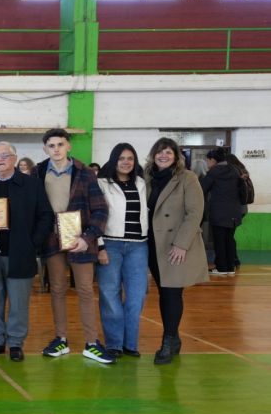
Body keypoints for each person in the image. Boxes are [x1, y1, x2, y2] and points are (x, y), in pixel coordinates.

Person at [36, 128, 113, 364]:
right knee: (57, 289)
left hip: (80, 239)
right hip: (52, 240)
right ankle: (61, 339)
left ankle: (92, 343)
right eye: (51, 145)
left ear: (68, 146)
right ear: (45, 148)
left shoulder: (85, 173)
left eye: (60, 144)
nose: (56, 149)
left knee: (86, 290)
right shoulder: (38, 172)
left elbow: (100, 209)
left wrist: (88, 238)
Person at [0, 142, 53, 362]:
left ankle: (15, 343)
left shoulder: (32, 185)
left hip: (20, 254)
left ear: (15, 159)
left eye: (5, 155)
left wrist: (31, 244)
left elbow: (45, 216)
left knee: (18, 303)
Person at [145, 137, 208, 364]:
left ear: (176, 157)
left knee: (172, 292)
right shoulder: (147, 178)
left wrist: (182, 244)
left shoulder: (187, 178)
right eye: (159, 152)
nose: (163, 156)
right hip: (152, 244)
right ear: (153, 155)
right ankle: (174, 337)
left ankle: (169, 340)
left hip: (174, 246)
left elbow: (195, 214)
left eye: (168, 153)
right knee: (164, 292)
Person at [95, 143, 149, 359]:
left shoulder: (142, 183)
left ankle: (130, 344)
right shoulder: (101, 184)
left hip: (138, 246)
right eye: (121, 158)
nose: (126, 162)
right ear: (113, 160)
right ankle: (114, 344)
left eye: (130, 158)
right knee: (110, 295)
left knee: (137, 296)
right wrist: (99, 246)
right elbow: (95, 215)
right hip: (110, 244)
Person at [202, 148, 243, 276]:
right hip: (235, 212)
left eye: (207, 160)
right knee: (229, 239)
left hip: (219, 212)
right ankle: (230, 267)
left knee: (219, 241)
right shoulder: (235, 170)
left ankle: (221, 268)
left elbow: (201, 188)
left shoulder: (214, 172)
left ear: (213, 160)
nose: (207, 163)